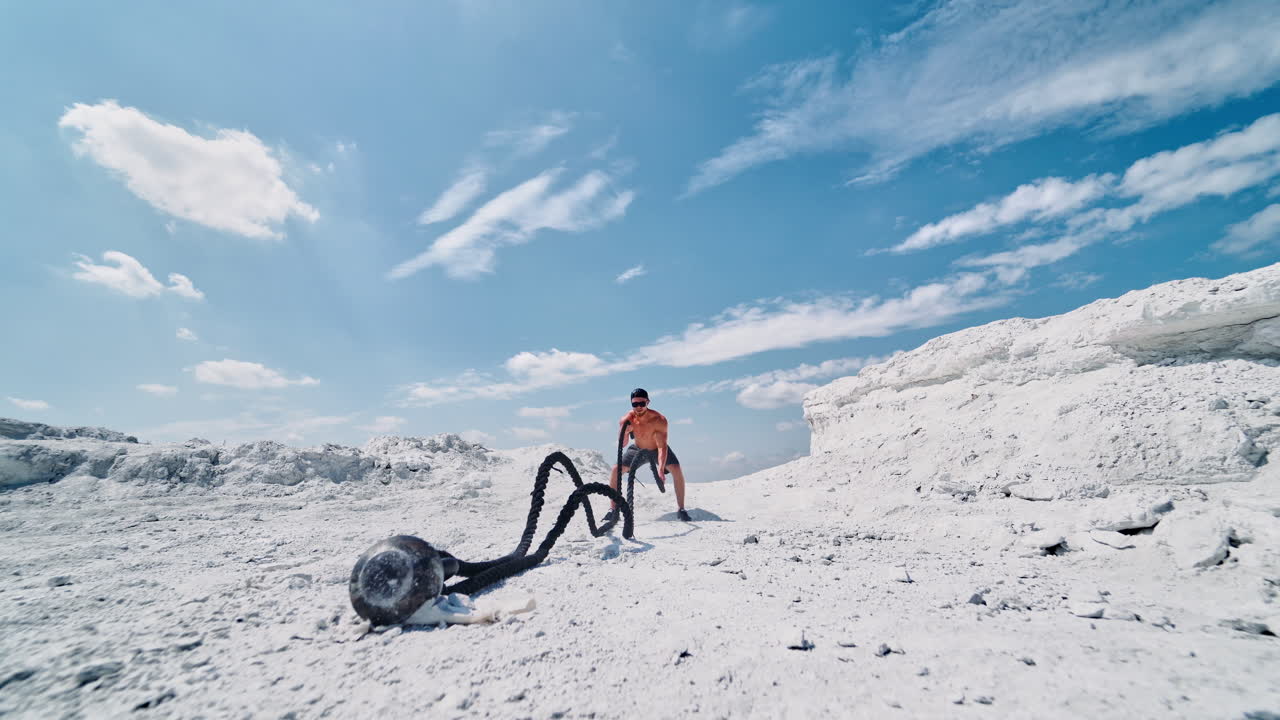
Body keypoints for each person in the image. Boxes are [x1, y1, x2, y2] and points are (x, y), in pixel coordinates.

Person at [603, 388, 690, 523]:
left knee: (676, 469)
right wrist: (625, 432)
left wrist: (661, 469)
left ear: (648, 402)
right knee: (615, 470)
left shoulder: (659, 420)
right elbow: (623, 445)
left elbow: (662, 447)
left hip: (656, 449)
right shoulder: (626, 419)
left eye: (642, 403)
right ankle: (613, 510)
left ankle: (682, 509)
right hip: (637, 449)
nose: (638, 407)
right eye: (635, 404)